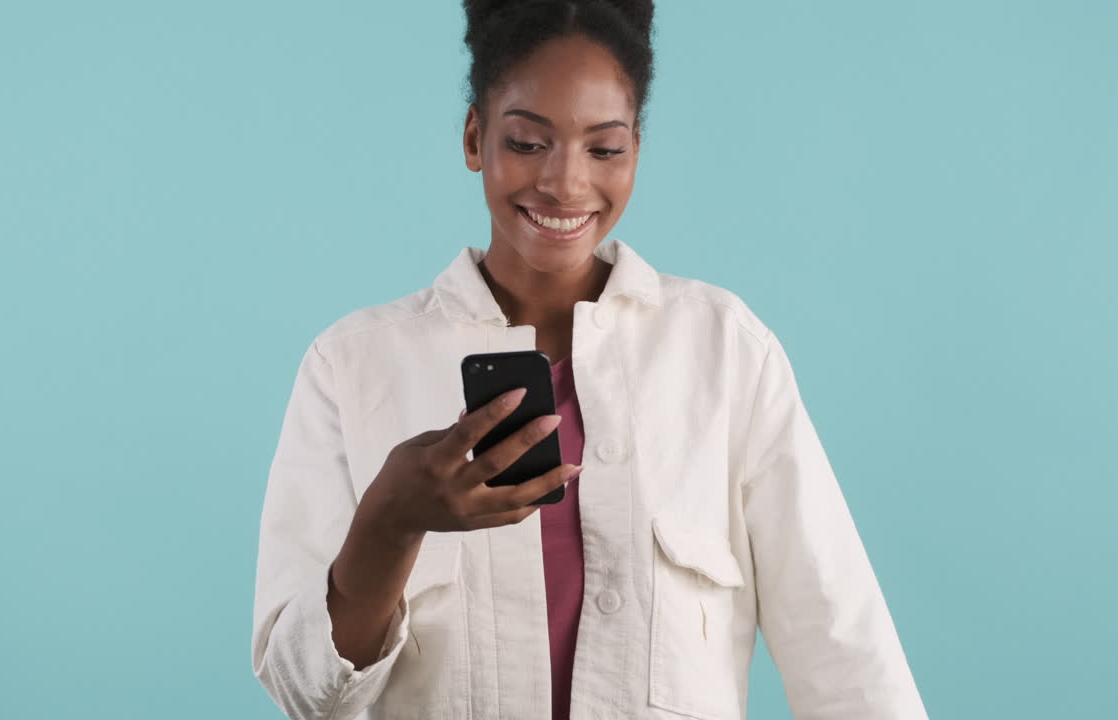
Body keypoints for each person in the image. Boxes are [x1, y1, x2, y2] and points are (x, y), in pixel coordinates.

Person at [251, 1, 930, 718]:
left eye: (603, 149)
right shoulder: (352, 366)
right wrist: (388, 525)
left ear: (636, 147)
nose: (565, 184)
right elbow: (304, 695)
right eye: (527, 142)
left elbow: (845, 651)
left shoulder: (725, 351)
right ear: (475, 137)